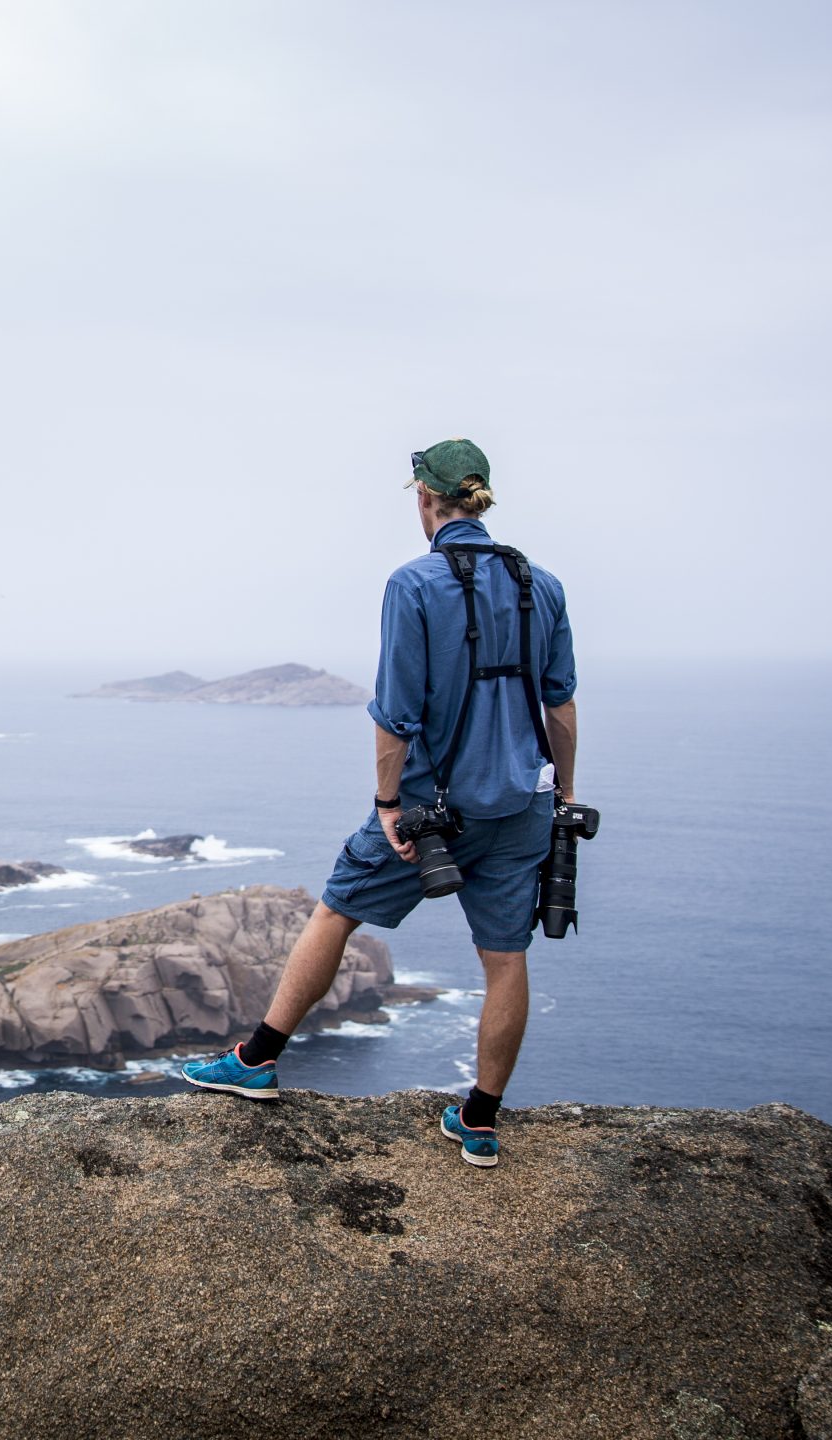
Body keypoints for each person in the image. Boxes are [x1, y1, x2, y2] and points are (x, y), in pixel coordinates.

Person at [180, 438, 578, 1169]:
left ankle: (257, 1061)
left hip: (433, 809)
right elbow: (562, 708)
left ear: (425, 501)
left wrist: (388, 804)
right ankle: (480, 1122)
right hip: (522, 807)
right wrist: (568, 794)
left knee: (336, 909)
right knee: (506, 958)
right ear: (482, 499)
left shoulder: (414, 584)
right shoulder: (540, 584)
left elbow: (395, 713)